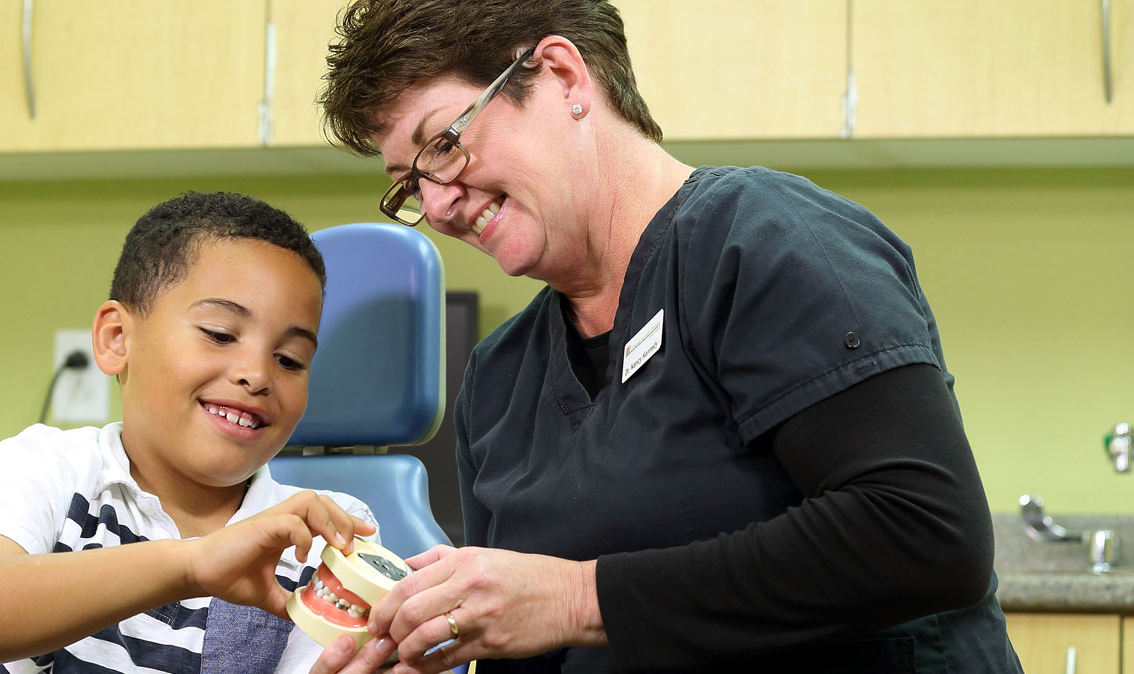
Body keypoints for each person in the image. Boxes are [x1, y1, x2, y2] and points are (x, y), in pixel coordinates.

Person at [308, 1, 1024, 673]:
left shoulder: (764, 245)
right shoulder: (498, 382)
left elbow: (926, 533)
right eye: (409, 184)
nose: (436, 203)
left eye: (444, 144)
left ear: (562, 75)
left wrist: (577, 598)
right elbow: (526, 640)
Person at [0, 191, 380, 674]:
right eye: (219, 334)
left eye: (290, 360)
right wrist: (191, 565)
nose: (258, 375)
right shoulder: (48, 467)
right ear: (118, 339)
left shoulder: (324, 537)